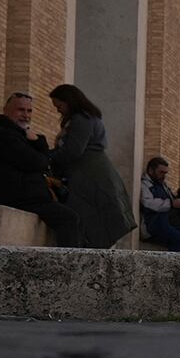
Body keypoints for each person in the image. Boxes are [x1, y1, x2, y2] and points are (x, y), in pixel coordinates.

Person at [44, 84, 136, 249]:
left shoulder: (81, 119)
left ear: (69, 101)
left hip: (90, 176)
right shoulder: (86, 118)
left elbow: (73, 150)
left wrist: (45, 156)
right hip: (90, 174)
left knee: (91, 219)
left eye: (59, 106)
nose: (58, 110)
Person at [0, 93, 82, 245]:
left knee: (73, 215)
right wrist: (39, 141)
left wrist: (37, 142)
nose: (26, 115)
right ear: (6, 110)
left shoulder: (21, 135)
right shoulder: (2, 134)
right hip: (17, 197)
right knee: (69, 218)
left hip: (29, 197)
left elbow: (44, 162)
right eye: (20, 110)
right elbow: (38, 163)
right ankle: (67, 267)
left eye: (29, 111)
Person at [138, 156, 180, 252]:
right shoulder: (145, 185)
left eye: (165, 173)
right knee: (178, 239)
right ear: (151, 170)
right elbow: (147, 203)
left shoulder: (163, 184)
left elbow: (172, 199)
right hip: (153, 224)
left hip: (168, 221)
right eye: (161, 172)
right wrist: (171, 204)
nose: (163, 176)